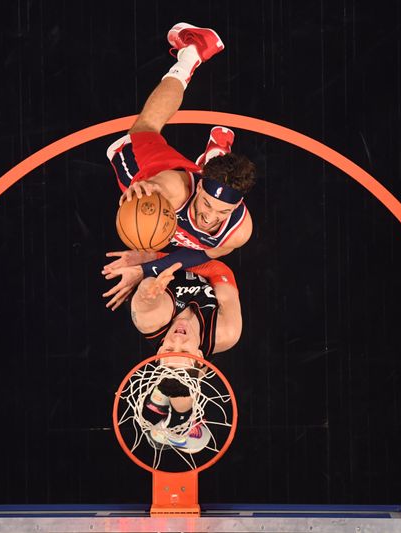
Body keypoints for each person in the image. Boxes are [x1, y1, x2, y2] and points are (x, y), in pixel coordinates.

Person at [103, 22, 257, 310]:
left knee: (213, 182)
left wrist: (145, 266)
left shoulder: (238, 230)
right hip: (157, 172)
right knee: (144, 128)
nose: (211, 217)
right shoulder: (172, 191)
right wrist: (145, 191)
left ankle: (214, 157)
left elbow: (204, 254)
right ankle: (194, 51)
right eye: (208, 206)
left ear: (237, 207)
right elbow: (156, 189)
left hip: (198, 181)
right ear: (197, 187)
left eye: (223, 210)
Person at [129, 259, 241, 452]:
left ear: (159, 352)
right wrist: (175, 261)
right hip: (182, 264)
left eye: (170, 349)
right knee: (189, 379)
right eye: (184, 351)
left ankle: (165, 399)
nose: (178, 339)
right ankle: (179, 419)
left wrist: (148, 285)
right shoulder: (226, 331)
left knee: (183, 374)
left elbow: (146, 294)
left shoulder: (151, 319)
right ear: (199, 355)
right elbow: (221, 270)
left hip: (163, 263)